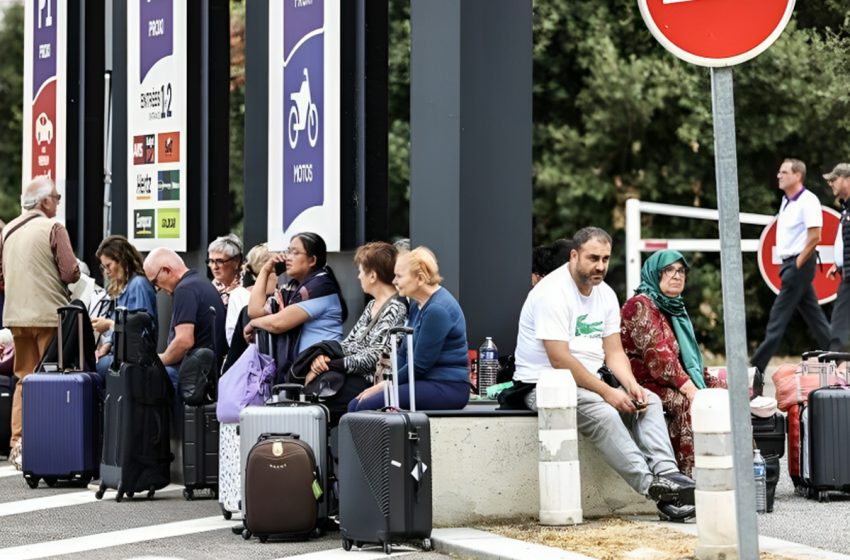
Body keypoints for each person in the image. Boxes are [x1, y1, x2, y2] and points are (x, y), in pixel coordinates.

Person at [512, 227, 695, 521]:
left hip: (590, 381)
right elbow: (559, 359)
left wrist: (630, 385)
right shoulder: (552, 292)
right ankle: (653, 487)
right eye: (593, 258)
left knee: (648, 400)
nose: (600, 266)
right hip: (544, 384)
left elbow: (614, 353)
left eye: (605, 259)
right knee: (605, 412)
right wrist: (607, 392)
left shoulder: (606, 294)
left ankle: (669, 476)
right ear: (574, 255)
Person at [620, 250, 726, 476]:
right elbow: (659, 358)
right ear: (655, 273)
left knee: (727, 395)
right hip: (646, 383)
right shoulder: (640, 306)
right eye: (668, 270)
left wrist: (706, 383)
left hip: (673, 380)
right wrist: (691, 388)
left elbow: (689, 359)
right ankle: (690, 480)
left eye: (681, 271)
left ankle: (742, 472)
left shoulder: (674, 307)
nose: (676, 276)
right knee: (689, 404)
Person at [0, 178, 79, 469]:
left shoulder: (8, 229)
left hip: (16, 317)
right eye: (56, 197)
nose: (57, 202)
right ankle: (51, 440)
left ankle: (18, 443)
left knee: (24, 378)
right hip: (48, 315)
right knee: (52, 379)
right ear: (44, 201)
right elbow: (71, 272)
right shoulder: (53, 228)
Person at [348, 247, 470, 412]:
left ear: (419, 278)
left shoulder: (437, 310)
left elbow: (419, 365)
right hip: (425, 381)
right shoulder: (417, 304)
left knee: (365, 405)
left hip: (447, 387)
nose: (394, 281)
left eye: (399, 276)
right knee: (355, 404)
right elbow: (403, 353)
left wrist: (386, 385)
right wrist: (386, 382)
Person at [303, 242, 408, 424]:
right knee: (311, 399)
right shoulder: (372, 305)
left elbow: (374, 357)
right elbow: (350, 344)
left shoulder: (396, 308)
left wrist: (331, 364)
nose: (359, 277)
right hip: (354, 377)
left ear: (373, 275)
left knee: (315, 408)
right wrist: (324, 358)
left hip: (371, 383)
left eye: (361, 271)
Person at [751, 159, 830, 373]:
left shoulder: (808, 201)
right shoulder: (787, 201)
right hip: (792, 264)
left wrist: (797, 263)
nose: (779, 175)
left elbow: (816, 236)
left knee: (777, 319)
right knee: (816, 319)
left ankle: (755, 368)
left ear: (797, 176)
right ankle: (840, 357)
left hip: (799, 264)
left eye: (784, 172)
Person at [244, 232, 346, 381]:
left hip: (321, 368)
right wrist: (266, 269)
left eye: (295, 252)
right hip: (302, 369)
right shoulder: (292, 288)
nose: (287, 257)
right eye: (288, 251)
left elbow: (279, 323)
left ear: (312, 260)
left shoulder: (320, 286)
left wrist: (253, 324)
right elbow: (254, 311)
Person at [143, 248, 226, 387]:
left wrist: (159, 360)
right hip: (209, 372)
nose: (157, 289)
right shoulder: (201, 282)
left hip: (193, 375)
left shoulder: (184, 289)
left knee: (145, 378)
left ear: (167, 270)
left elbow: (184, 341)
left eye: (155, 281)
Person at [91, 235, 158, 377]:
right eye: (103, 267)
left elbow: (141, 329)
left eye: (108, 266)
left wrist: (109, 324)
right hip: (121, 356)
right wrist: (106, 346)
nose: (107, 272)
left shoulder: (139, 285)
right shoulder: (125, 287)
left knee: (92, 370)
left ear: (121, 261)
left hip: (133, 361)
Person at [207, 234, 250, 346]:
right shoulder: (208, 289)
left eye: (220, 261)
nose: (214, 266)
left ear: (236, 261)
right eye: (211, 261)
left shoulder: (246, 288)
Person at [825, 163, 850, 352]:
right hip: (846, 271)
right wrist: (839, 264)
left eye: (834, 179)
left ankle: (837, 361)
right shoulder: (846, 209)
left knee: (840, 319)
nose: (830, 183)